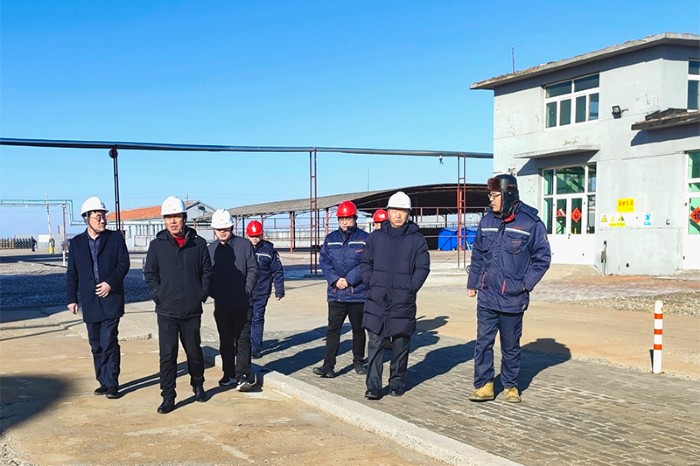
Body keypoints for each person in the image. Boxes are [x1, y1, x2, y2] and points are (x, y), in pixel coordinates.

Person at [466, 174, 551, 403]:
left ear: (508, 194)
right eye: (490, 195)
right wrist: (473, 282)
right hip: (487, 295)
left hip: (513, 297)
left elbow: (542, 258)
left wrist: (524, 284)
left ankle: (510, 385)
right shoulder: (487, 221)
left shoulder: (530, 223)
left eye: (494, 195)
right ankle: (484, 384)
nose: (490, 200)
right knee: (483, 342)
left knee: (510, 345)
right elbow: (478, 254)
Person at [144, 196, 213, 414]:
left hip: (191, 310)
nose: (173, 221)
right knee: (168, 355)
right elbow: (150, 273)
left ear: (184, 218)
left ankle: (198, 385)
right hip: (167, 311)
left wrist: (201, 294)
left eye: (176, 216)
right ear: (164, 220)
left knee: (194, 351)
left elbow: (207, 272)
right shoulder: (157, 246)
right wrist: (158, 295)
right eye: (168, 217)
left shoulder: (198, 244)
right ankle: (168, 396)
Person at [360, 191, 430, 400]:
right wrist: (371, 283)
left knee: (400, 343)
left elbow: (423, 267)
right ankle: (373, 386)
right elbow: (365, 263)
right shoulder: (376, 237)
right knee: (375, 343)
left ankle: (397, 382)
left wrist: (410, 287)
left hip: (403, 300)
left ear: (409, 213)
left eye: (402, 211)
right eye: (394, 210)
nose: (398, 215)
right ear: (388, 212)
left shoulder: (417, 240)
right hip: (377, 300)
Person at [66, 196, 130, 399]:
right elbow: (72, 272)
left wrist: (110, 283)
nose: (102, 220)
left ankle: (112, 383)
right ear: (87, 218)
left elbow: (124, 264)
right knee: (96, 344)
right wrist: (71, 298)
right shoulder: (76, 243)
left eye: (104, 216)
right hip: (90, 301)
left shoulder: (115, 238)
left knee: (109, 340)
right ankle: (102, 380)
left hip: (111, 299)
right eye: (97, 217)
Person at [313, 200, 369, 378]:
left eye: (348, 218)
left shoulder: (365, 239)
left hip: (357, 293)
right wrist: (335, 280)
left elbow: (367, 263)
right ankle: (328, 366)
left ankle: (358, 362)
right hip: (336, 294)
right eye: (342, 219)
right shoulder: (330, 239)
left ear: (355, 218)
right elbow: (324, 261)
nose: (345, 222)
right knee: (333, 330)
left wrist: (350, 279)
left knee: (358, 330)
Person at [207, 209, 258, 391]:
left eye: (226, 228)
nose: (223, 232)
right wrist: (213, 292)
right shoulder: (211, 250)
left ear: (232, 227)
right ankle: (228, 374)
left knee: (243, 340)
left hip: (243, 303)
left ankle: (243, 376)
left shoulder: (244, 245)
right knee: (226, 341)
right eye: (219, 229)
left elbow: (253, 269)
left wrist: (247, 289)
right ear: (214, 229)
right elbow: (207, 275)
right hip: (222, 304)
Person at [245, 220, 285, 359]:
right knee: (245, 320)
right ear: (247, 235)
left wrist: (279, 290)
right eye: (252, 236)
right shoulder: (242, 248)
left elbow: (277, 271)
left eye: (257, 236)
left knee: (257, 318)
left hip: (261, 291)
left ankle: (255, 349)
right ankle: (243, 346)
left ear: (261, 235)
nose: (254, 239)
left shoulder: (268, 250)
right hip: (245, 291)